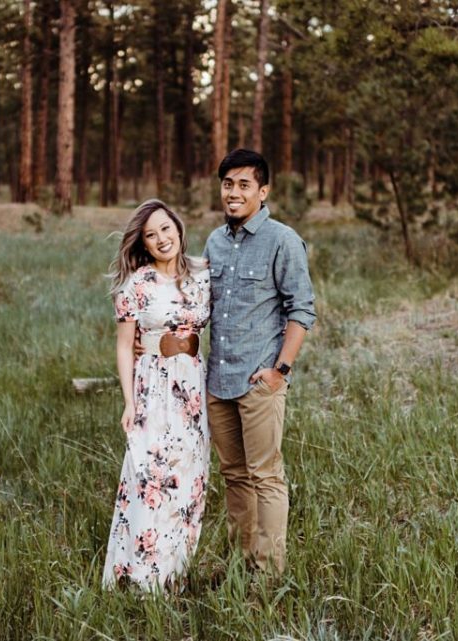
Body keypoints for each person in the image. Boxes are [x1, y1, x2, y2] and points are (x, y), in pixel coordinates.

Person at [204, 148, 315, 575]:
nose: (233, 193)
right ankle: (241, 564)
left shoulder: (282, 240)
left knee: (265, 476)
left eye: (244, 185)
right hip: (218, 381)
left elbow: (301, 310)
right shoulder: (215, 242)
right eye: (227, 184)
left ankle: (267, 576)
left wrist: (279, 371)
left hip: (259, 381)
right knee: (234, 475)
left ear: (263, 191)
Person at [102, 199, 212, 591]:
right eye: (151, 235)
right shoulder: (136, 285)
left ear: (179, 229)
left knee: (188, 478)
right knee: (149, 477)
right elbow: (123, 346)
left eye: (166, 229)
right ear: (143, 244)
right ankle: (138, 578)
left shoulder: (204, 273)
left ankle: (173, 575)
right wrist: (129, 402)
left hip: (193, 388)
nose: (162, 239)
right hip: (152, 387)